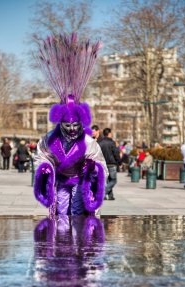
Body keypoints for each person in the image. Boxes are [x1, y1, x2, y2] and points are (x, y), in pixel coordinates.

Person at [33, 33, 107, 216]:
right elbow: (42, 157)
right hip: (60, 181)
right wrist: (45, 168)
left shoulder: (89, 142)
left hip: (80, 182)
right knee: (61, 212)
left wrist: (92, 167)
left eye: (76, 126)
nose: (72, 130)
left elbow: (100, 164)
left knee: (77, 212)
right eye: (68, 126)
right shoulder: (49, 139)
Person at [99, 128, 120, 200]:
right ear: (109, 134)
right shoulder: (112, 143)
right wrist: (119, 161)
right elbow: (116, 153)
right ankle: (103, 192)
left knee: (108, 180)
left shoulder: (100, 142)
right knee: (113, 180)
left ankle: (110, 196)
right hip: (111, 164)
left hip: (103, 164)